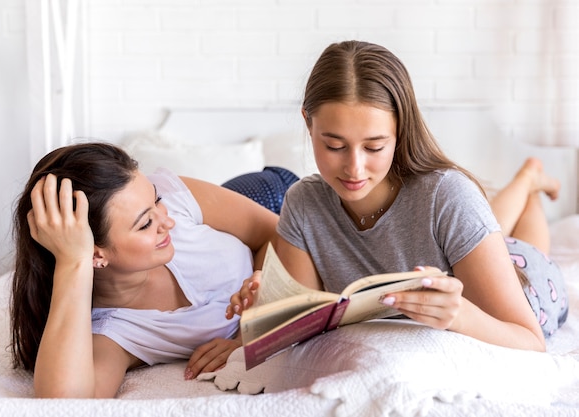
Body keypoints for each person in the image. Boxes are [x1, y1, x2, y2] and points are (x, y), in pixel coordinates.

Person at [227, 41, 568, 351]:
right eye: (334, 145)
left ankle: (528, 183)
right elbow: (303, 327)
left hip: (531, 285)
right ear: (308, 124)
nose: (354, 169)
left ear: (400, 130)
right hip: (477, 252)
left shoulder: (447, 195)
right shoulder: (304, 204)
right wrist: (260, 320)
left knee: (529, 250)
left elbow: (531, 344)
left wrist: (460, 316)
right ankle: (528, 182)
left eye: (374, 146)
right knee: (495, 234)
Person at [10, 142, 279, 398]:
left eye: (156, 200)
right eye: (145, 223)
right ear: (95, 254)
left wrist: (254, 327)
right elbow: (65, 403)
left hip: (269, 196)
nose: (168, 221)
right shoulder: (116, 331)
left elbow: (279, 234)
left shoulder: (174, 201)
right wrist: (72, 261)